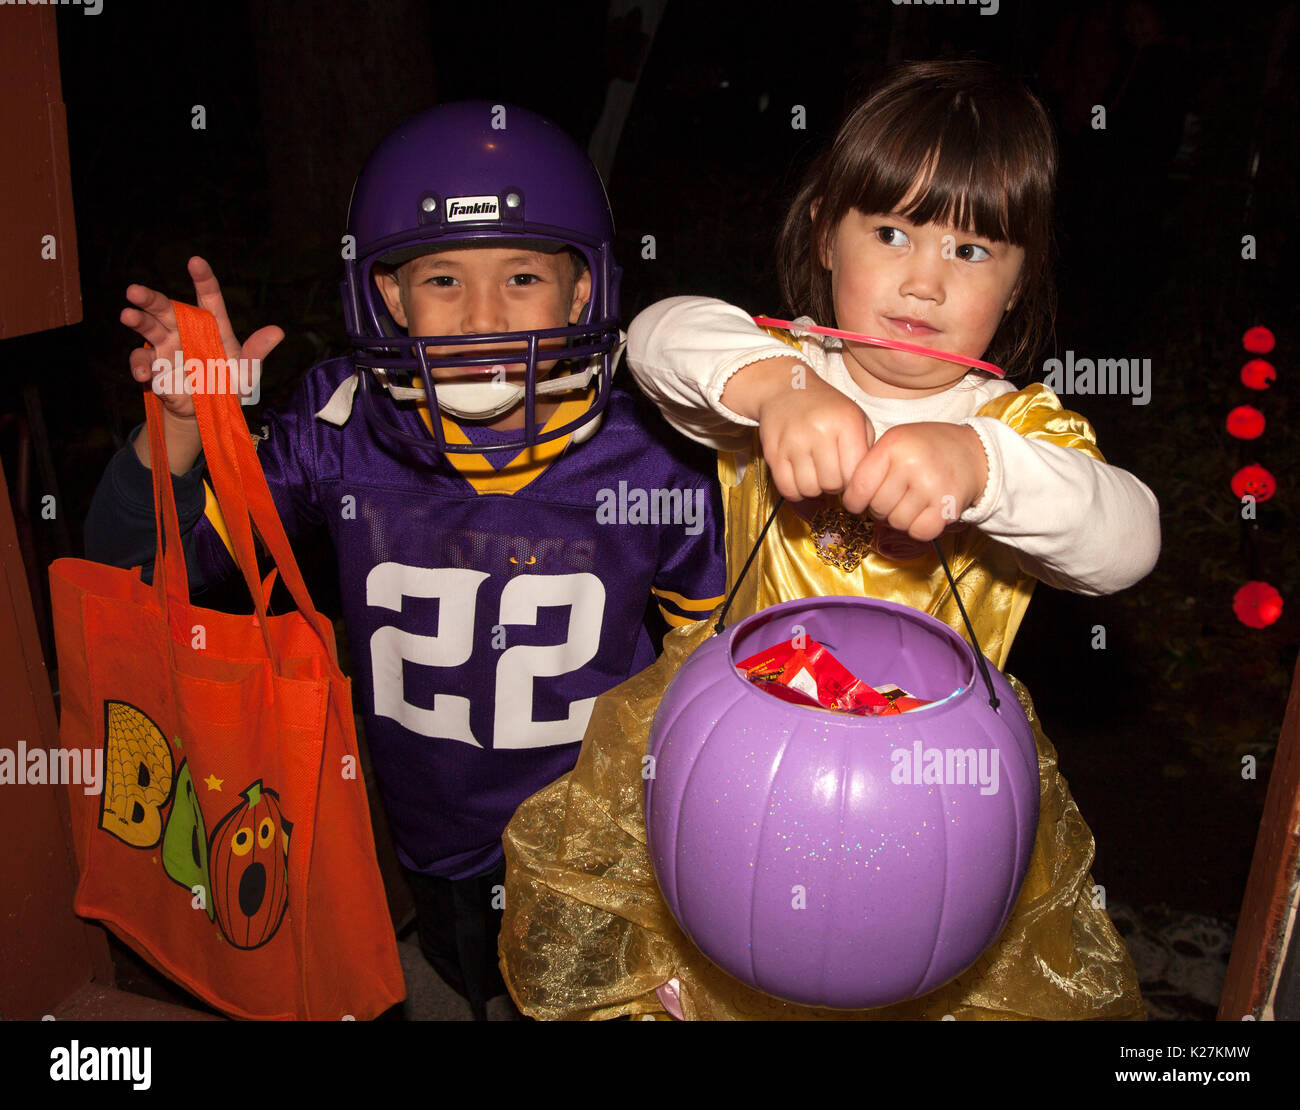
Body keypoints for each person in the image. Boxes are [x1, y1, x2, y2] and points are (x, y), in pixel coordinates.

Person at [498, 61, 1161, 1020]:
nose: (923, 280)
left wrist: (984, 468)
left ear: (1021, 287)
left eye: (972, 250)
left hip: (935, 795)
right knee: (719, 952)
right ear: (824, 234)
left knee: (898, 972)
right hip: (737, 757)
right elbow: (655, 336)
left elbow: (1127, 541)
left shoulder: (1016, 430)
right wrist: (778, 390)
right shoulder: (782, 365)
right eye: (890, 231)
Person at [84, 102, 726, 1021]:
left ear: (582, 292)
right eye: (441, 279)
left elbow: (717, 680)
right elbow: (144, 578)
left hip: (606, 847)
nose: (481, 317)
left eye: (521, 276)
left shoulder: (656, 457)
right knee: (468, 985)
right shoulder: (338, 433)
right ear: (389, 297)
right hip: (429, 845)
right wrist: (193, 435)